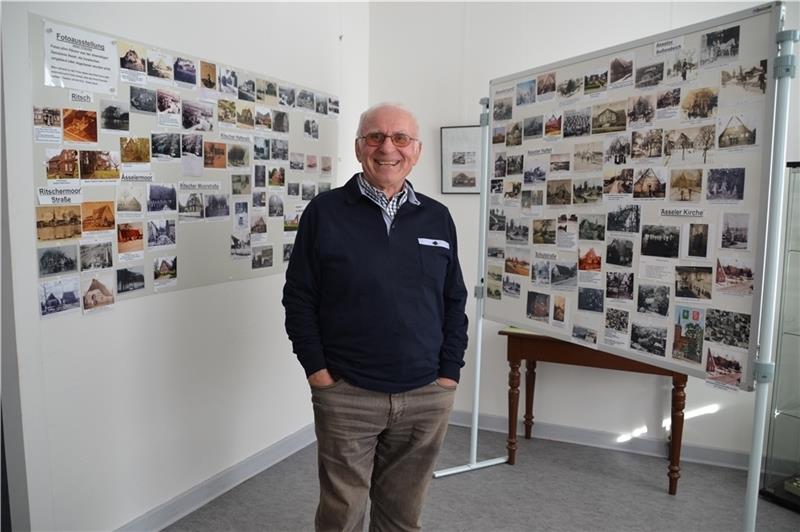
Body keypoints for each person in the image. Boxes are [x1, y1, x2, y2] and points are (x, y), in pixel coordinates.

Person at [282, 103, 469, 532]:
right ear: (358, 147)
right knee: (341, 515)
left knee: (403, 516)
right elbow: (299, 298)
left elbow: (452, 300)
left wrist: (448, 375)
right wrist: (319, 374)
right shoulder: (324, 213)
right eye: (375, 137)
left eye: (400, 138)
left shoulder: (437, 217)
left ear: (416, 151)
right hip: (347, 392)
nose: (388, 148)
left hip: (426, 394)